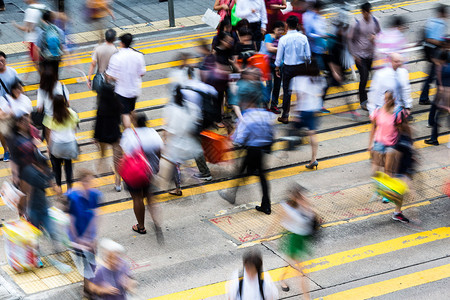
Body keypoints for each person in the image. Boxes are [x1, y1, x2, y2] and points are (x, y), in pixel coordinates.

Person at [219, 86, 274, 214]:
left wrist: (231, 136)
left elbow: (239, 139)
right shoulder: (267, 115)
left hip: (252, 150)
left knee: (242, 172)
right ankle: (266, 204)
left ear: (249, 102)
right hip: (263, 150)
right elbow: (272, 133)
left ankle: (231, 194)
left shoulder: (247, 118)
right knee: (261, 177)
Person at [120, 114, 164, 243]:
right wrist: (156, 166)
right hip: (150, 171)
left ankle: (141, 226)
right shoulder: (153, 133)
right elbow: (159, 150)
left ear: (135, 123)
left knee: (137, 198)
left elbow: (126, 154)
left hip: (136, 173)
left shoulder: (129, 135)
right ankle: (156, 220)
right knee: (149, 196)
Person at [368, 91, 410, 223]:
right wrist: (370, 144)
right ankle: (381, 190)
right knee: (375, 171)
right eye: (385, 98)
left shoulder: (397, 114)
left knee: (388, 170)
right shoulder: (378, 111)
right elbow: (373, 127)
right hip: (379, 143)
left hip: (391, 144)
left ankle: (386, 195)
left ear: (393, 99)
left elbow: (401, 128)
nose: (387, 101)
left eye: (389, 99)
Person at [270, 184, 315, 298]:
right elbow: (276, 221)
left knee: (290, 262)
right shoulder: (286, 207)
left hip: (301, 238)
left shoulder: (304, 205)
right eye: (301, 196)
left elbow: (311, 218)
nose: (304, 197)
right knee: (302, 272)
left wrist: (306, 205)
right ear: (295, 197)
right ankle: (306, 297)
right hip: (291, 239)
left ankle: (281, 279)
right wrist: (266, 236)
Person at [67, 169, 101, 298]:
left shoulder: (94, 195)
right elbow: (71, 219)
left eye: (90, 180)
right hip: (77, 238)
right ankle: (88, 290)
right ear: (80, 181)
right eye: (86, 181)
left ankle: (88, 287)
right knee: (88, 263)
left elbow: (96, 216)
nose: (89, 183)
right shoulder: (73, 197)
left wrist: (90, 237)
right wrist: (77, 238)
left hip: (90, 237)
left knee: (91, 263)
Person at [275, 15, 311, 124]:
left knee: (287, 92)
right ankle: (300, 115)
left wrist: (277, 68)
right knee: (301, 91)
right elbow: (308, 56)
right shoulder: (303, 37)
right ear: (297, 25)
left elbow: (279, 57)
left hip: (288, 68)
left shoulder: (283, 39)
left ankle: (285, 116)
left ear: (286, 25)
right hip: (300, 67)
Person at [106, 33, 146, 128]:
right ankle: (138, 129)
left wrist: (115, 78)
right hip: (135, 89)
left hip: (122, 91)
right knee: (131, 109)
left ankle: (128, 134)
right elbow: (142, 73)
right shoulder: (138, 55)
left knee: (125, 113)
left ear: (121, 43)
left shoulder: (116, 57)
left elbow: (110, 75)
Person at [291, 61, 326, 170]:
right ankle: (314, 158)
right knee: (312, 133)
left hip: (304, 109)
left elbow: (299, 97)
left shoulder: (299, 79)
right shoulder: (320, 79)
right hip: (315, 108)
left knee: (293, 130)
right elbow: (321, 92)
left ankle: (287, 152)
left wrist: (296, 112)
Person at [347, 2, 381, 111]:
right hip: (360, 57)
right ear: (362, 12)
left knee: (373, 78)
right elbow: (349, 40)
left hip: (370, 55)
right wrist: (354, 55)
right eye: (365, 12)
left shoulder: (375, 21)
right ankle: (363, 101)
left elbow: (381, 34)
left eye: (369, 12)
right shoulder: (356, 24)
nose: (367, 14)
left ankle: (375, 99)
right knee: (364, 77)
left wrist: (375, 38)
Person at [45, 95, 79, 191]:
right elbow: (74, 129)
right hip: (69, 144)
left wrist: (49, 147)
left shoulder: (51, 116)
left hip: (57, 146)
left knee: (57, 168)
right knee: (68, 167)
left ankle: (59, 187)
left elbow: (50, 134)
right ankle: (69, 188)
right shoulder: (72, 113)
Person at [94, 83, 123, 191]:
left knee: (102, 156)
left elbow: (98, 124)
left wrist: (95, 137)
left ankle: (97, 177)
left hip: (103, 135)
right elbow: (119, 121)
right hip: (115, 135)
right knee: (117, 160)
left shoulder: (101, 106)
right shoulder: (117, 104)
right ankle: (118, 183)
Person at [419, 4, 448, 105]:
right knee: (435, 76)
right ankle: (425, 98)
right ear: (442, 13)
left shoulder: (430, 20)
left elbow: (426, 36)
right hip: (435, 53)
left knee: (433, 76)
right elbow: (433, 40)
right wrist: (443, 44)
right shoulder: (441, 23)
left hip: (428, 51)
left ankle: (426, 97)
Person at [12, 0, 48, 70]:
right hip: (45, 39)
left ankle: (45, 79)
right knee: (43, 61)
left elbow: (27, 29)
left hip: (34, 41)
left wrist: (16, 25)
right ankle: (27, 76)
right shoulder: (44, 7)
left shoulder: (30, 10)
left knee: (37, 63)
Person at [36, 67, 70, 141]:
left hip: (49, 119)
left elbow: (39, 108)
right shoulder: (60, 85)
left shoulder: (41, 89)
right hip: (63, 115)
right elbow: (67, 102)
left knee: (50, 140)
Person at [425, 49, 450, 146]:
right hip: (444, 98)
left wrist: (446, 104)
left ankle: (434, 139)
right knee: (440, 118)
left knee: (438, 118)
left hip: (446, 98)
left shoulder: (443, 69)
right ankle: (433, 138)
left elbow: (444, 88)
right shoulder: (444, 67)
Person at [260, 20, 285, 113]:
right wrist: (281, 49)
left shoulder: (282, 38)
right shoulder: (268, 36)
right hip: (269, 64)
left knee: (277, 86)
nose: (280, 32)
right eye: (279, 30)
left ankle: (274, 105)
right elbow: (269, 48)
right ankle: (265, 104)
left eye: (282, 30)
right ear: (274, 29)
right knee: (269, 85)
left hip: (279, 64)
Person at [0, 52, 20, 161]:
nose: (0, 63)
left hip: (14, 104)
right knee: (2, 131)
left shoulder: (12, 72)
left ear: (5, 60)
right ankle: (6, 151)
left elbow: (19, 88)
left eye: (2, 60)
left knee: (19, 128)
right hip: (1, 108)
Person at [36, 10, 66, 77]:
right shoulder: (59, 31)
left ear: (43, 20)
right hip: (57, 58)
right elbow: (62, 45)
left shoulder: (42, 32)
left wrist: (38, 62)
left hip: (46, 58)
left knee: (46, 77)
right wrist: (62, 58)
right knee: (55, 75)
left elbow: (38, 49)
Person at [302, 1, 327, 71]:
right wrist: (320, 36)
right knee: (315, 68)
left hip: (321, 48)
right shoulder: (308, 17)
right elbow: (308, 34)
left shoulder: (320, 17)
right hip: (313, 49)